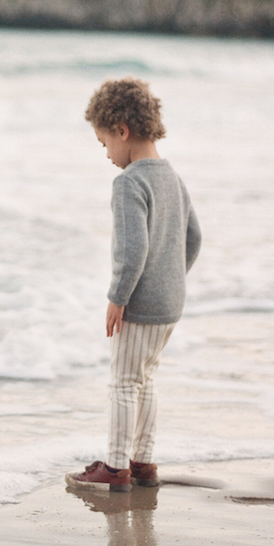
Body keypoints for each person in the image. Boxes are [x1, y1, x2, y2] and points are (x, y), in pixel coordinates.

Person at [68, 77, 201, 493]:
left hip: (140, 304)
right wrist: (170, 278)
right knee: (146, 379)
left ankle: (115, 466)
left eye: (104, 143)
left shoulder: (129, 183)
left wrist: (117, 297)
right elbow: (194, 237)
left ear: (123, 130)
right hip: (170, 304)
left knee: (124, 382)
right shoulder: (172, 177)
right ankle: (143, 461)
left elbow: (132, 249)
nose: (107, 155)